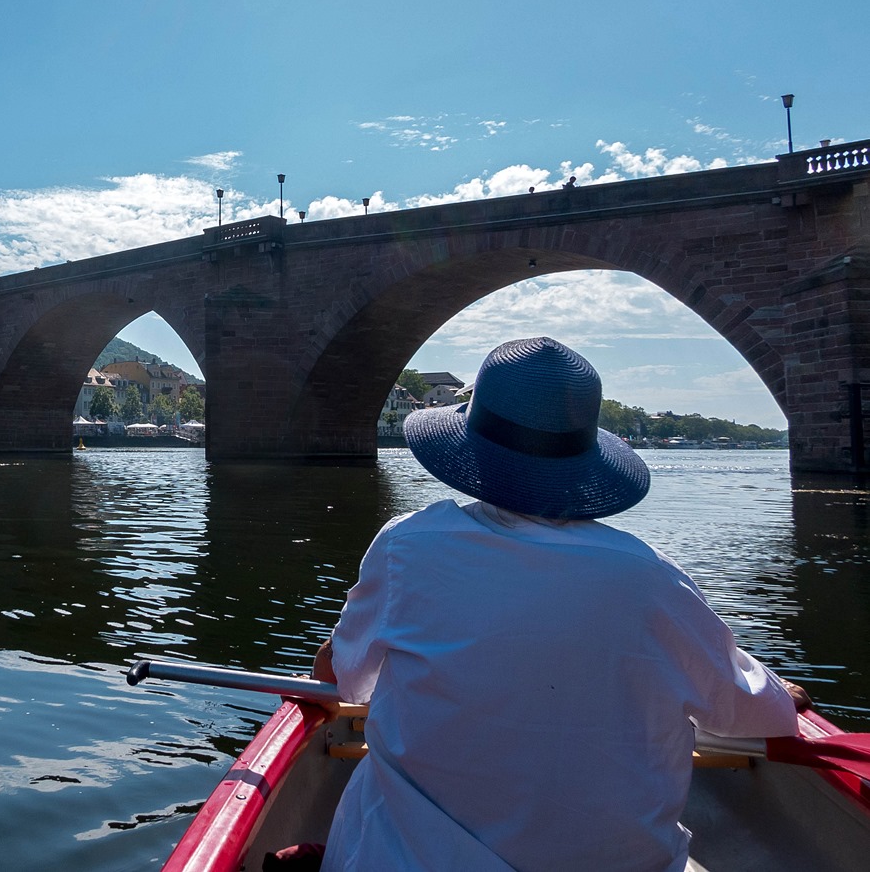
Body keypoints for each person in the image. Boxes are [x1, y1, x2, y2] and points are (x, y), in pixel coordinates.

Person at [310, 337, 808, 872]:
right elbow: (759, 715)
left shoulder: (406, 545)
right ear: (585, 460)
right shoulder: (651, 577)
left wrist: (343, 654)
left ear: (469, 446)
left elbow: (345, 682)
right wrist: (784, 695)